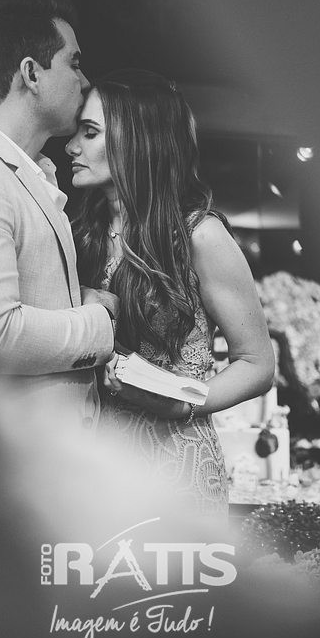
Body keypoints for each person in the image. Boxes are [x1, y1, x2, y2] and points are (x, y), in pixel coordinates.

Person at [65, 68, 275, 519]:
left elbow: (258, 365)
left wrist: (182, 403)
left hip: (176, 465)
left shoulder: (201, 236)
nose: (71, 146)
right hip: (94, 469)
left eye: (90, 132)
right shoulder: (78, 232)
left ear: (136, 141)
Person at [0, 0, 119, 493]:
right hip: (20, 478)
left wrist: (75, 299)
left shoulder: (22, 171)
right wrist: (97, 322)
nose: (84, 81)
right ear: (31, 73)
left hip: (52, 473)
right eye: (73, 63)